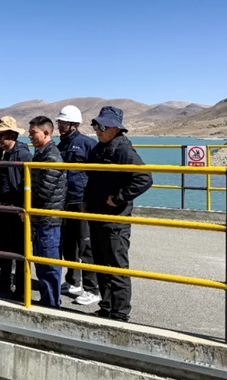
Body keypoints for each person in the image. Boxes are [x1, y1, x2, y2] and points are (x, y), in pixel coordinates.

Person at [84, 106, 152, 322]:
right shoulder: (98, 149)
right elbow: (92, 180)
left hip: (115, 220)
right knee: (100, 264)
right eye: (96, 126)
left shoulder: (123, 150)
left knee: (116, 266)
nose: (98, 130)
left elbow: (144, 178)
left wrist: (118, 198)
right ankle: (106, 307)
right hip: (96, 216)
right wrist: (87, 202)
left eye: (102, 127)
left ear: (115, 128)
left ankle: (120, 313)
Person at [55, 105, 101, 306]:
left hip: (81, 201)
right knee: (68, 243)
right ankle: (73, 281)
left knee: (85, 245)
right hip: (65, 200)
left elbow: (96, 174)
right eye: (59, 122)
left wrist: (91, 200)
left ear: (74, 124)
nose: (59, 126)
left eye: (63, 123)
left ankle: (93, 289)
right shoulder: (61, 146)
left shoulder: (87, 144)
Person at [0, 116, 32, 299]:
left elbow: (27, 184)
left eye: (2, 135)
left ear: (12, 135)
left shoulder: (23, 155)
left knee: (19, 250)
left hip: (15, 209)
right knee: (3, 246)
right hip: (0, 207)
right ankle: (5, 280)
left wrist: (22, 206)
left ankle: (21, 288)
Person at [27, 116, 67, 308]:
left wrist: (28, 204)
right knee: (42, 262)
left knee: (48, 263)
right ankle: (48, 300)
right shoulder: (41, 154)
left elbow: (44, 191)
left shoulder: (51, 157)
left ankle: (51, 304)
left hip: (48, 217)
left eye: (33, 133)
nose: (30, 136)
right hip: (42, 216)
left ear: (46, 132)